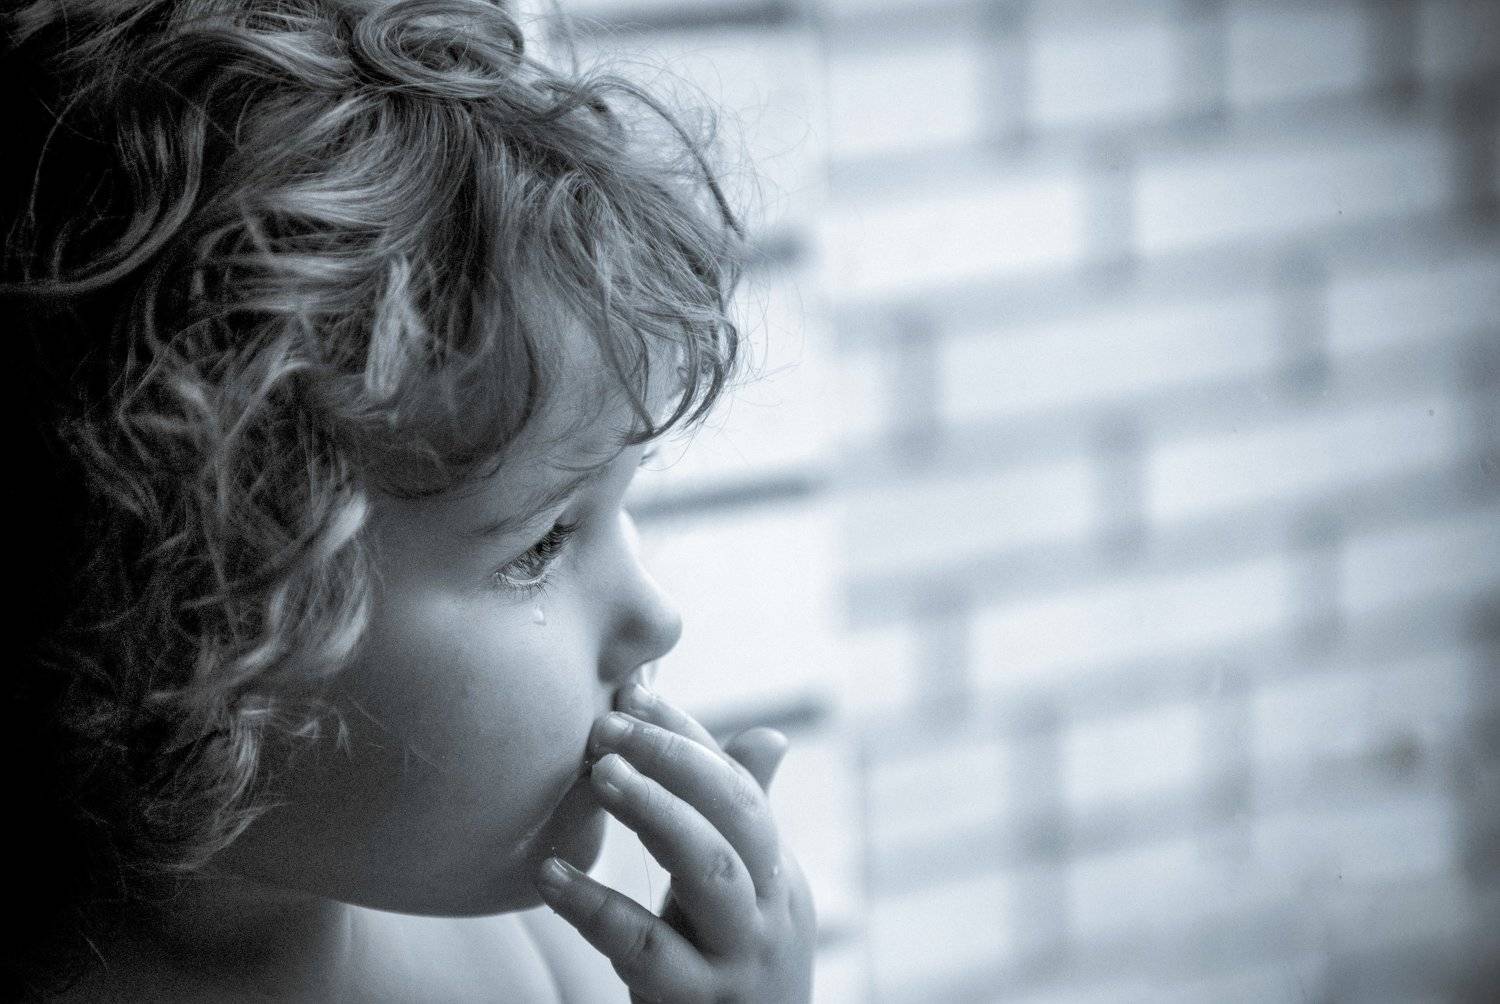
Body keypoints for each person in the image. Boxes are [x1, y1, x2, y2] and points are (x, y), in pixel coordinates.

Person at [3, 0, 816, 999]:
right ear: (195, 631)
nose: (657, 618)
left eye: (620, 503)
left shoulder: (536, 952)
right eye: (541, 544)